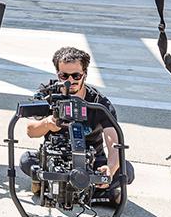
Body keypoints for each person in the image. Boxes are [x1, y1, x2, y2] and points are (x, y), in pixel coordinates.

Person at [19, 46, 134, 196]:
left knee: (126, 170)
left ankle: (57, 188)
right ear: (57, 74)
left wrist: (110, 169)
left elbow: (114, 141)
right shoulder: (48, 93)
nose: (70, 81)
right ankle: (98, 194)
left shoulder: (99, 102)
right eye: (64, 76)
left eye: (76, 76)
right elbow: (31, 131)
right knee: (26, 160)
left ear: (84, 74)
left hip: (90, 162)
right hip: (55, 158)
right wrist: (48, 123)